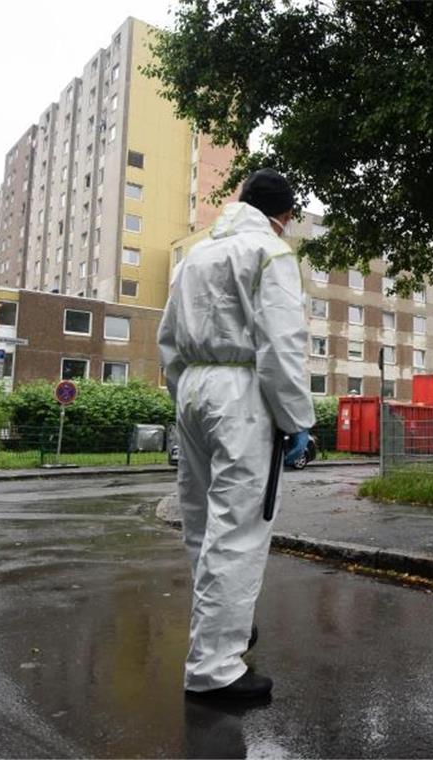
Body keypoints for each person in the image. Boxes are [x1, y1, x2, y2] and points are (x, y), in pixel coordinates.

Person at [158, 168, 315, 701]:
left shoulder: (195, 257)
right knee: (238, 531)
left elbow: (169, 339)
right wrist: (295, 421)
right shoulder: (270, 253)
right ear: (286, 216)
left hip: (193, 390)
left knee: (203, 528)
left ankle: (223, 630)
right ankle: (215, 668)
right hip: (241, 394)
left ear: (240, 200)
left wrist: (185, 395)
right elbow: (280, 346)